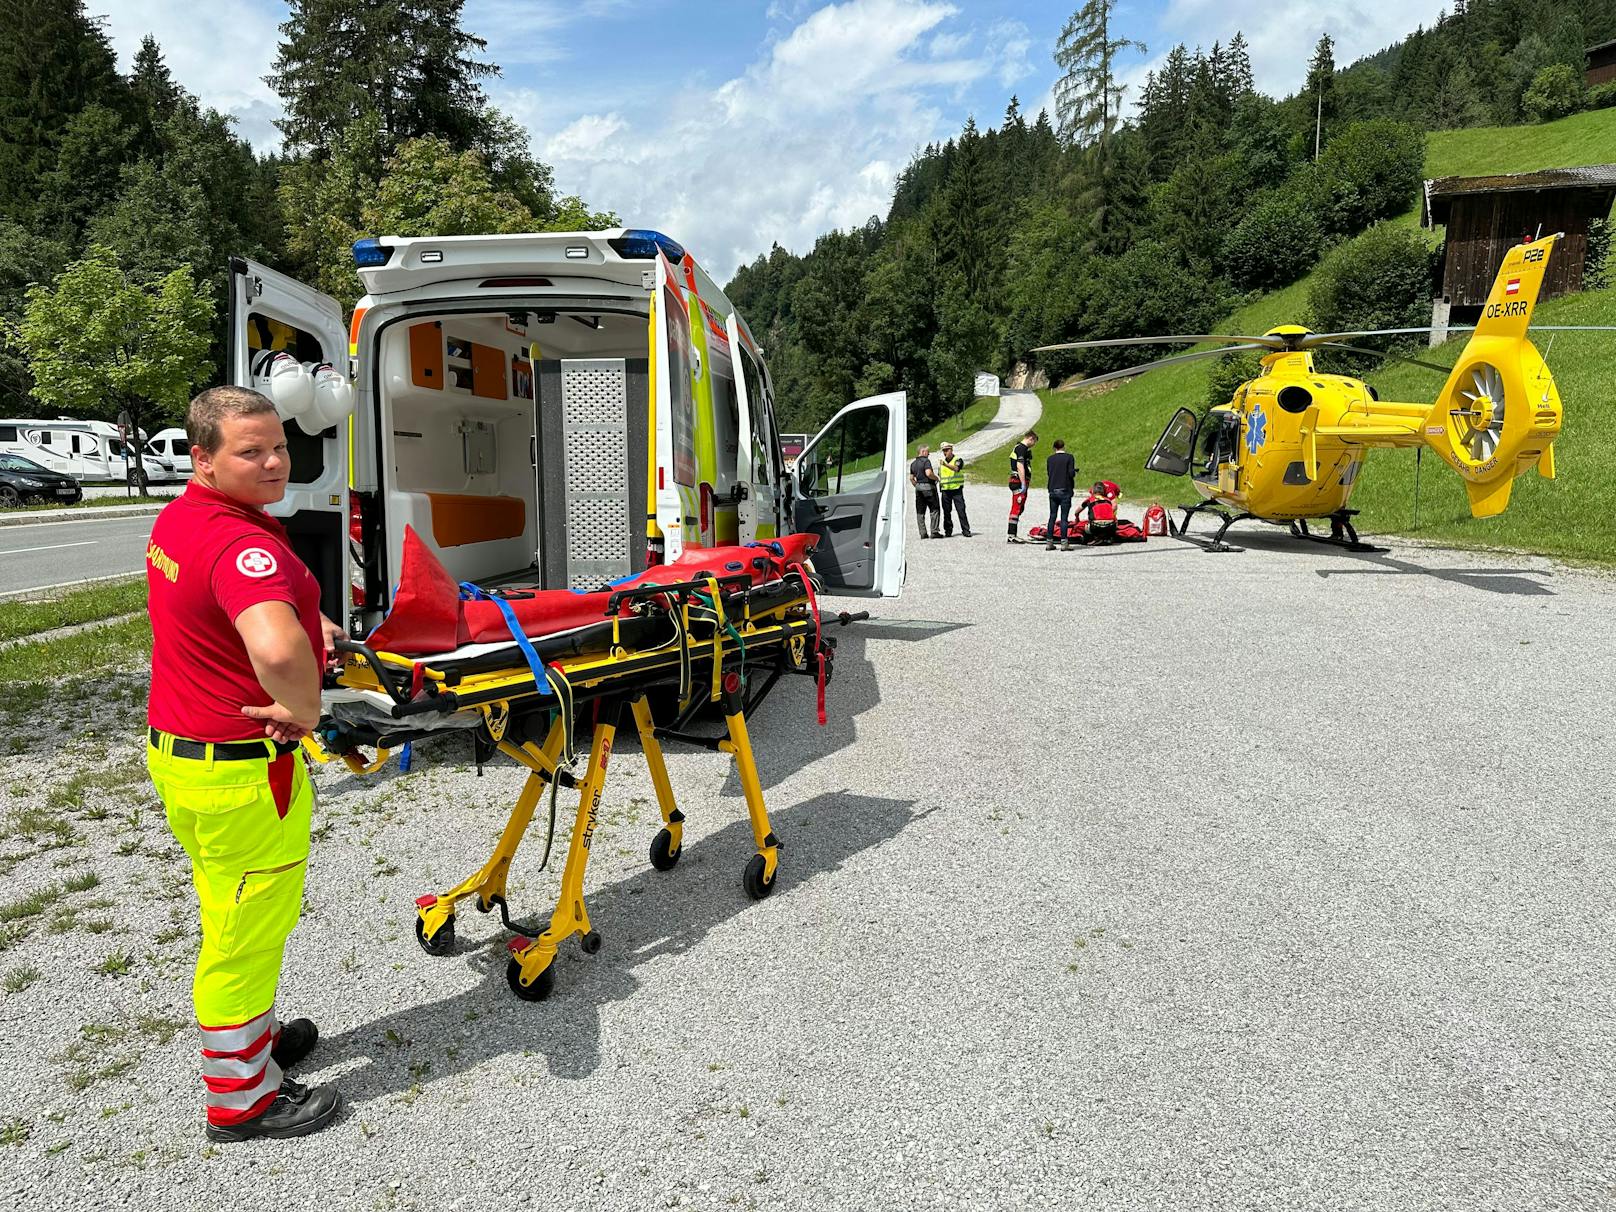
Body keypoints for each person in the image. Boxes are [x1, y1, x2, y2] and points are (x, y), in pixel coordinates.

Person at [145, 385, 344, 1142]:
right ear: (204, 458)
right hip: (241, 771)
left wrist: (307, 614)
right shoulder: (243, 543)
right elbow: (274, 648)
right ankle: (242, 1100)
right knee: (245, 932)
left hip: (184, 757)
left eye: (279, 447)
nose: (272, 463)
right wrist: (309, 708)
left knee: (229, 907)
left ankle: (254, 1049)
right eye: (249, 452)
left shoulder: (185, 517)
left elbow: (233, 609)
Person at [1044, 439, 1077, 551]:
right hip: (1065, 489)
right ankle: (1064, 543)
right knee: (1064, 518)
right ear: (1064, 447)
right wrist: (1075, 472)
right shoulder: (1069, 457)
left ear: (1054, 448)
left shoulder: (1050, 459)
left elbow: (1049, 473)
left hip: (1053, 489)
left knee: (1052, 516)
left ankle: (1049, 542)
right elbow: (1071, 473)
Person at [1007, 429, 1037, 543]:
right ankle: (1012, 535)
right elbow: (1020, 466)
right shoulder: (1021, 448)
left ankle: (1012, 534)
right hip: (1018, 481)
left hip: (1018, 481)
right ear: (1031, 438)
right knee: (1017, 507)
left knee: (1019, 507)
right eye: (1034, 443)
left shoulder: (1020, 448)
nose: (1033, 445)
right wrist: (1023, 482)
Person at [936, 441, 972, 537]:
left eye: (947, 450)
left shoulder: (958, 460)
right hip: (945, 490)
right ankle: (948, 531)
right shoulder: (941, 463)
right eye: (943, 451)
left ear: (951, 450)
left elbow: (956, 469)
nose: (945, 452)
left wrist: (945, 464)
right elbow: (940, 475)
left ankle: (966, 530)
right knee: (946, 512)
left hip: (956, 489)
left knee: (961, 510)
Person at [909, 443, 941, 539]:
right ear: (922, 452)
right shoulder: (926, 461)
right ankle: (934, 532)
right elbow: (928, 473)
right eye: (928, 452)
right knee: (934, 509)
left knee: (920, 511)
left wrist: (917, 486)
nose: (929, 453)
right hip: (929, 488)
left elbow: (911, 478)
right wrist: (936, 478)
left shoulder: (913, 463)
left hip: (918, 488)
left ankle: (923, 533)